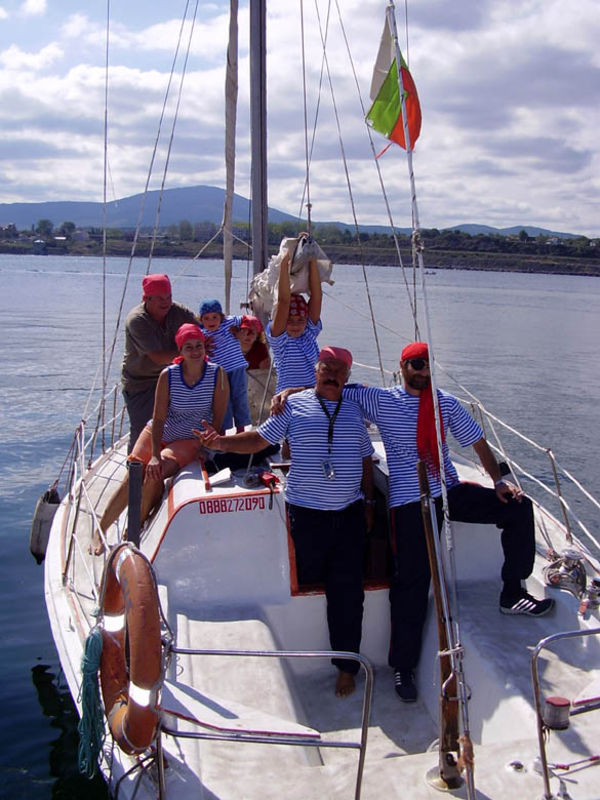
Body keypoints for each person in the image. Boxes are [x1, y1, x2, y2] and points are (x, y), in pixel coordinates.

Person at [273, 341, 554, 702]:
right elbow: (330, 386)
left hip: (447, 490)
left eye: (427, 365)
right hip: (409, 500)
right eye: (416, 364)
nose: (423, 371)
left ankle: (512, 592)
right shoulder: (379, 400)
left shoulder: (444, 403)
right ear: (402, 367)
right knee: (412, 581)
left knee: (518, 507)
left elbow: (478, 442)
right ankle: (403, 667)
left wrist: (498, 480)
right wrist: (289, 392)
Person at [196, 346, 374, 698]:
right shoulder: (293, 406)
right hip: (307, 514)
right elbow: (260, 439)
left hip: (349, 514)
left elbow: (367, 458)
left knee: (348, 593)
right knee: (303, 581)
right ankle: (296, 659)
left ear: (347, 376)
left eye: (340, 370)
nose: (332, 374)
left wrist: (369, 502)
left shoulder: (356, 406)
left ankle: (346, 668)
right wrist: (221, 442)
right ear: (316, 371)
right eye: (326, 367)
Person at [94, 323, 229, 553]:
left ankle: (133, 529)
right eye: (188, 347)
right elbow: (158, 418)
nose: (195, 351)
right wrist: (154, 454)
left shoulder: (218, 374)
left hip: (190, 437)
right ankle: (100, 531)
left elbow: (218, 417)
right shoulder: (169, 375)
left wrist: (208, 443)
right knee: (134, 472)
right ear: (180, 350)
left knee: (154, 474)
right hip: (160, 431)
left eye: (198, 345)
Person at [121, 273, 196, 452]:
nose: (166, 302)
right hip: (141, 383)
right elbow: (157, 356)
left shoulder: (178, 311)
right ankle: (135, 468)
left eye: (169, 296)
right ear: (146, 298)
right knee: (142, 430)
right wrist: (193, 352)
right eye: (160, 298)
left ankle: (169, 463)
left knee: (177, 427)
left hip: (172, 379)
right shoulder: (137, 320)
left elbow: (202, 325)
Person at [266, 246, 322, 392]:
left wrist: (312, 260)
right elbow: (284, 302)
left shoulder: (309, 332)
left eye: (300, 320)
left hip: (312, 394)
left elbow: (317, 296)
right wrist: (284, 265)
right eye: (290, 320)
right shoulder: (280, 340)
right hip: (287, 397)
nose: (295, 325)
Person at [199, 299, 251, 432]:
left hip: (236, 367)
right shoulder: (201, 334)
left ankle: (241, 429)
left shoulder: (229, 322)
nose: (211, 321)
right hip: (218, 372)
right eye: (206, 318)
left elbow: (248, 319)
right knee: (222, 401)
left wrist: (242, 330)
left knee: (239, 397)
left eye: (215, 317)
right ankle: (222, 430)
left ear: (221, 317)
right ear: (201, 320)